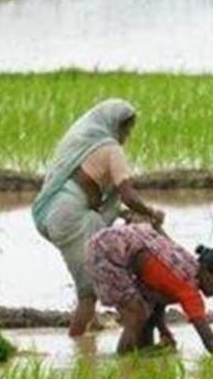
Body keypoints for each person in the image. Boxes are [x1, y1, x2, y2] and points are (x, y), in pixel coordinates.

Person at [31, 99, 166, 337]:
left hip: (61, 210)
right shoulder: (112, 149)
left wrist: (127, 213)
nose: (127, 135)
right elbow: (127, 194)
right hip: (71, 216)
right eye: (126, 129)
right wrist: (151, 213)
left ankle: (90, 328)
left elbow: (94, 193)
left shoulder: (91, 147)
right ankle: (77, 345)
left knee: (90, 271)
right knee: (89, 291)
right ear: (115, 126)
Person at [85, 223, 213, 355]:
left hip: (114, 241)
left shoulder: (188, 266)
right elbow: (208, 338)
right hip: (107, 251)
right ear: (205, 270)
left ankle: (140, 358)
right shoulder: (188, 289)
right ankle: (125, 363)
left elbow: (158, 298)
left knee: (145, 314)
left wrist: (163, 329)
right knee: (136, 315)